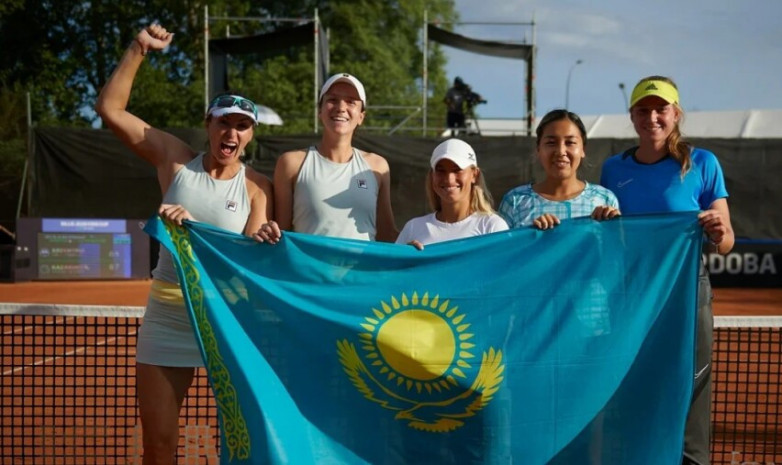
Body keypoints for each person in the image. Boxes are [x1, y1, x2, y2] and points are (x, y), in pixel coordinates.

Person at [95, 24, 273, 465]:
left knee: (244, 439)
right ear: (208, 125)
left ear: (250, 135)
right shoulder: (174, 161)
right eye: (224, 122)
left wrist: (198, 231)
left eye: (242, 126)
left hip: (226, 321)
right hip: (168, 317)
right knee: (158, 446)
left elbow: (246, 262)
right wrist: (138, 48)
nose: (232, 133)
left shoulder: (258, 188)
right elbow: (110, 109)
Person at [600, 75, 735, 465]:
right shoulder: (613, 169)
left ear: (676, 114)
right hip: (631, 294)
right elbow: (611, 238)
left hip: (688, 290)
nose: (653, 117)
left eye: (661, 109)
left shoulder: (703, 163)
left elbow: (726, 242)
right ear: (632, 116)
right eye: (644, 110)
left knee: (690, 384)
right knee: (632, 382)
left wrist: (719, 230)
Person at [254, 73, 397, 244]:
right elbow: (282, 234)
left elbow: (387, 234)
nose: (341, 107)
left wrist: (417, 245)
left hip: (362, 271)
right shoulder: (291, 163)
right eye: (332, 100)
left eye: (351, 101)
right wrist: (268, 234)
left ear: (361, 116)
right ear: (319, 111)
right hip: (308, 271)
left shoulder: (378, 166)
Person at [498, 109, 620, 230]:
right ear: (538, 149)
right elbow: (503, 249)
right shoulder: (515, 201)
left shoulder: (604, 199)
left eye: (570, 142)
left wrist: (610, 225)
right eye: (551, 143)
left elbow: (616, 247)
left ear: (583, 149)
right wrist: (532, 237)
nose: (561, 151)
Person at [396, 138, 508, 249]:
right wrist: (406, 258)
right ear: (432, 175)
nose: (449, 179)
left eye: (457, 170)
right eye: (441, 170)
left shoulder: (492, 227)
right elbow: (392, 266)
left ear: (474, 175)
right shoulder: (413, 228)